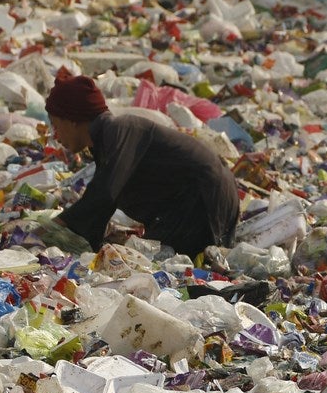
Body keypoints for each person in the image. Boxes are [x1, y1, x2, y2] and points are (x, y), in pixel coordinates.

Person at [44, 68, 240, 258]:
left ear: (72, 119)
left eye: (55, 123)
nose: (55, 135)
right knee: (149, 261)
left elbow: (105, 192)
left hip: (203, 196)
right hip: (194, 200)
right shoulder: (105, 141)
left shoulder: (120, 129)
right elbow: (104, 205)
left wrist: (57, 226)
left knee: (155, 265)